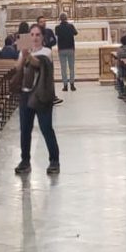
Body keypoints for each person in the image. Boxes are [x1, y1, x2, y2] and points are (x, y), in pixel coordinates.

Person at [14, 25, 60, 175]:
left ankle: (54, 160)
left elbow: (37, 63)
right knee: (25, 129)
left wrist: (27, 54)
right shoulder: (24, 51)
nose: (34, 38)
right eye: (32, 34)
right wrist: (23, 54)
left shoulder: (46, 52)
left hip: (41, 95)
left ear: (42, 37)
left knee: (46, 128)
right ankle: (25, 160)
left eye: (38, 35)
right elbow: (18, 68)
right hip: (25, 94)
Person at [55, 12, 77, 91]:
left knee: (63, 68)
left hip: (62, 49)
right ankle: (72, 85)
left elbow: (57, 34)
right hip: (70, 48)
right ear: (66, 18)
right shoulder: (70, 26)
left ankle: (65, 85)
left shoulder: (57, 27)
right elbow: (75, 33)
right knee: (71, 67)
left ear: (60, 19)